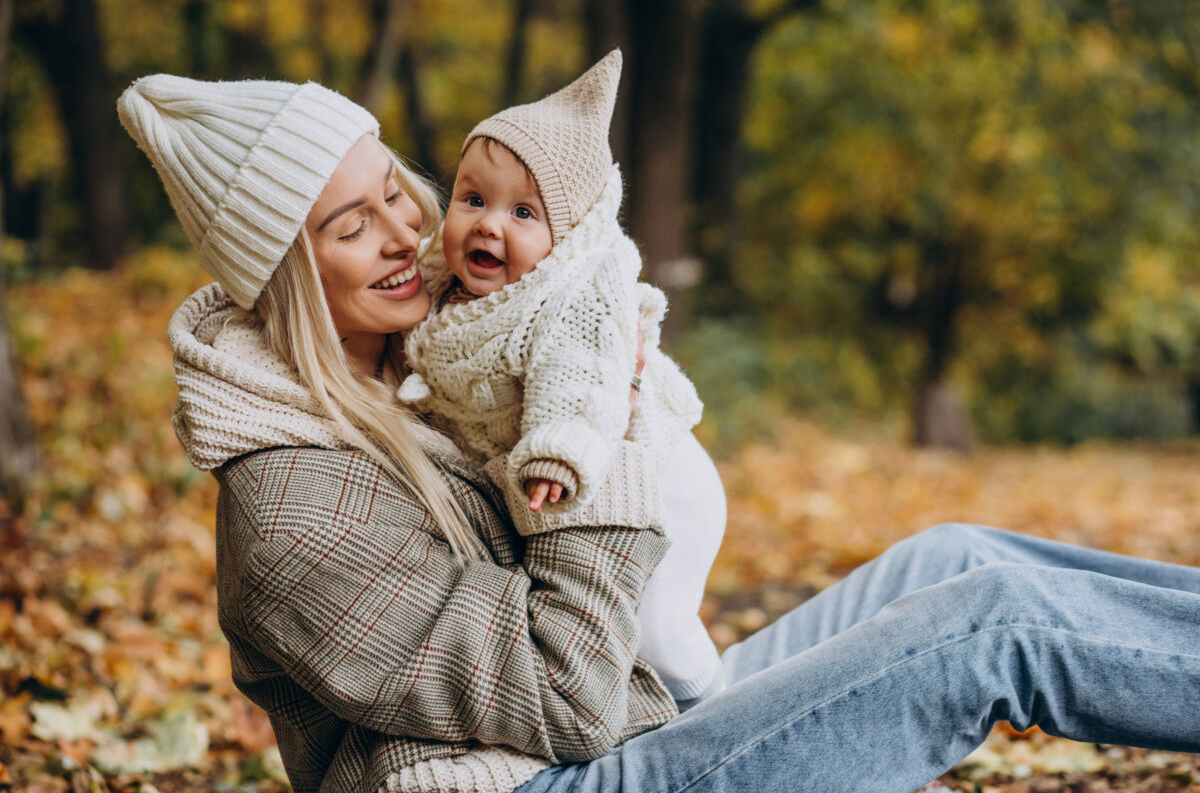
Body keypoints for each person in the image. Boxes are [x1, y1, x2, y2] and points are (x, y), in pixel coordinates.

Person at [117, 71, 1200, 793]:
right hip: (558, 774)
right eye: (351, 227)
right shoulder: (291, 509)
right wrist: (609, 431)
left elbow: (577, 272)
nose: (406, 232)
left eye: (398, 193)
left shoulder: (423, 353)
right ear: (285, 277)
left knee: (961, 557)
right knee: (988, 627)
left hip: (628, 725)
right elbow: (565, 690)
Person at [397, 49, 726, 709]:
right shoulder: (446, 288)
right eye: (473, 198)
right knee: (616, 639)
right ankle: (665, 713)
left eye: (524, 213)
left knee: (662, 636)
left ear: (571, 235)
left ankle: (725, 711)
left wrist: (559, 446)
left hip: (661, 481)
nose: (489, 223)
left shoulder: (577, 293)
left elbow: (583, 377)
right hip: (569, 491)